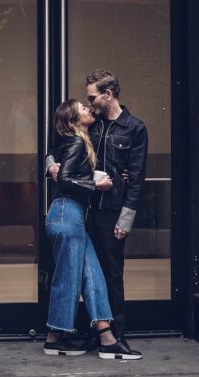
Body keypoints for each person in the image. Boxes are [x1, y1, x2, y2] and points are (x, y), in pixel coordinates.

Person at [47, 69, 148, 352]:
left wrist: (126, 219)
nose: (89, 104)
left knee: (111, 274)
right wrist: (50, 165)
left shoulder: (134, 128)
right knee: (86, 273)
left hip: (111, 213)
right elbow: (59, 145)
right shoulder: (92, 125)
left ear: (108, 94)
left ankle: (116, 335)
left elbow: (137, 179)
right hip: (81, 211)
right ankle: (98, 336)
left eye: (92, 98)